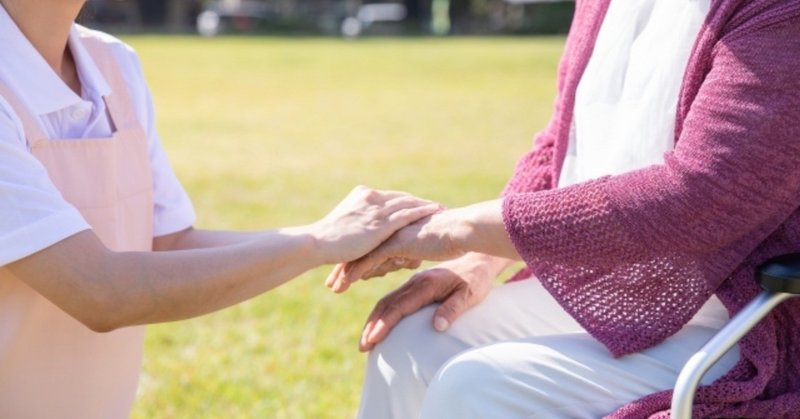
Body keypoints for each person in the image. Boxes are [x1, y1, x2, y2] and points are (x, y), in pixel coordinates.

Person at [327, 0, 800, 417]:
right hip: (608, 290)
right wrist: (480, 261)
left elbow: (697, 199)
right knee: (411, 340)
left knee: (479, 387)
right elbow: (560, 144)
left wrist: (458, 230)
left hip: (743, 323)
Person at [0, 1, 443, 417]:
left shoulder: (113, 64)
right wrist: (316, 243)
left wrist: (336, 238)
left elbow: (168, 243)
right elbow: (98, 291)